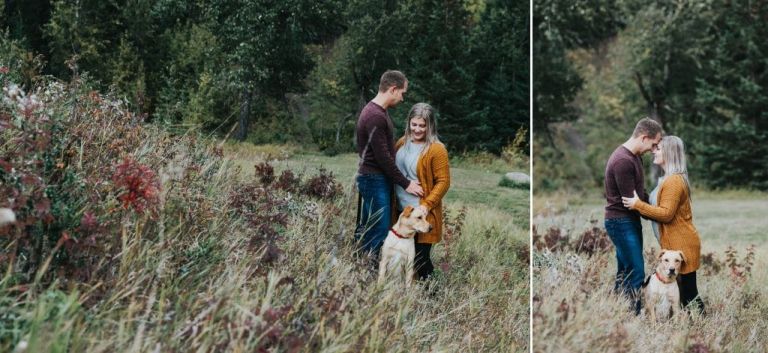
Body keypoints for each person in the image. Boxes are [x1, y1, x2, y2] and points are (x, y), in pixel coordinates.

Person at [622, 135, 704, 314]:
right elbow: (656, 208)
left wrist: (637, 205)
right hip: (675, 242)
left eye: (658, 149)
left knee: (688, 293)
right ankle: (690, 326)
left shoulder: (674, 181)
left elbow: (666, 214)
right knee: (682, 292)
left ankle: (703, 326)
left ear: (669, 153)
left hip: (683, 244)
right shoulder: (668, 179)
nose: (654, 151)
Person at [355, 70, 423, 263]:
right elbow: (383, 158)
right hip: (373, 179)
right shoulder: (375, 116)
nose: (402, 98)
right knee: (378, 229)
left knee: (370, 226)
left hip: (374, 178)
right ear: (393, 89)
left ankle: (362, 266)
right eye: (402, 93)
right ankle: (369, 271)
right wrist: (406, 183)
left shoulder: (377, 112)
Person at [603, 117, 663, 314]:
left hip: (628, 221)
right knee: (636, 271)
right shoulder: (623, 161)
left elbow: (640, 193)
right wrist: (659, 216)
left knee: (625, 270)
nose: (653, 150)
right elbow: (631, 202)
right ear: (644, 137)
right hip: (620, 221)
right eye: (653, 144)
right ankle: (633, 316)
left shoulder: (634, 157)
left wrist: (656, 208)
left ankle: (616, 312)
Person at [393, 103, 450, 281]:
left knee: (420, 260)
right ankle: (409, 294)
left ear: (430, 126)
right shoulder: (402, 142)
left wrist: (426, 206)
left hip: (422, 213)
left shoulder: (436, 149)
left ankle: (433, 297)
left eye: (422, 126)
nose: (417, 129)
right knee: (401, 256)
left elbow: (444, 181)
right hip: (402, 213)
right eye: (414, 124)